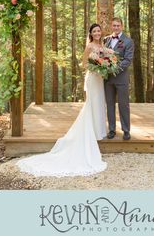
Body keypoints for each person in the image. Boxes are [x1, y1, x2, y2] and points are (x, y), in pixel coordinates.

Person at [16, 24, 107, 177]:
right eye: (94, 31)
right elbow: (84, 63)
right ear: (90, 33)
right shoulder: (89, 46)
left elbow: (105, 60)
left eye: (98, 31)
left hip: (100, 79)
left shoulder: (102, 45)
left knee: (99, 103)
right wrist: (96, 66)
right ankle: (91, 131)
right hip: (92, 77)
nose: (97, 33)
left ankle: (99, 130)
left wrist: (104, 66)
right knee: (91, 103)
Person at [104, 17, 134, 140]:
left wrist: (114, 69)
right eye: (114, 25)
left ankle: (126, 130)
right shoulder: (106, 40)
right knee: (110, 104)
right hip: (108, 79)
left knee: (124, 105)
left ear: (122, 26)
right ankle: (111, 129)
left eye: (118, 25)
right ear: (111, 26)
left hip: (121, 78)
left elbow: (128, 60)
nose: (116, 27)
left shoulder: (128, 41)